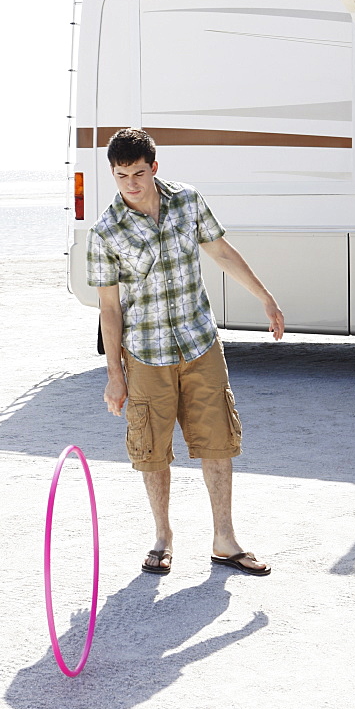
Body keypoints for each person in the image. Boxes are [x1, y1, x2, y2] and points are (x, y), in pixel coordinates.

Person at [86, 128, 284, 576]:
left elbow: (222, 252)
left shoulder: (188, 201)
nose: (131, 184)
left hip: (200, 343)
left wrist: (266, 298)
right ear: (113, 174)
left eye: (138, 173)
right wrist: (115, 374)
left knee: (218, 441)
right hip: (146, 355)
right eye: (121, 176)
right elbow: (109, 307)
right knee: (152, 451)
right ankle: (163, 537)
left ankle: (224, 540)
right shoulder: (105, 232)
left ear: (154, 167)